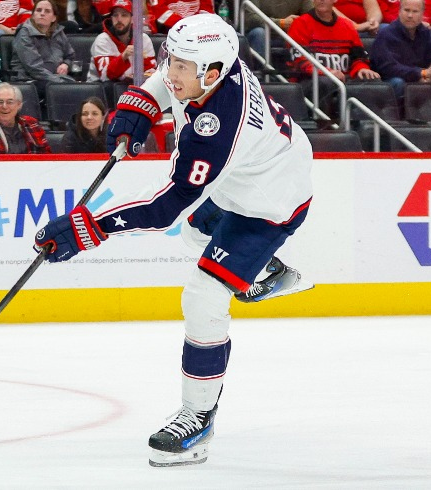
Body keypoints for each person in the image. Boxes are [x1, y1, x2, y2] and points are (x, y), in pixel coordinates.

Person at [32, 14, 313, 467]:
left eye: (183, 67)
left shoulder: (217, 130)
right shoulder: (212, 68)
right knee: (195, 235)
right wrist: (138, 108)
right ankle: (266, 270)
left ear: (213, 73)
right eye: (172, 60)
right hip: (245, 179)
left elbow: (164, 204)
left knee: (203, 296)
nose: (171, 71)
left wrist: (87, 226)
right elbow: (163, 81)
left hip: (267, 205)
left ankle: (198, 417)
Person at [287, 0, 380, 122]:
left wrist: (362, 68)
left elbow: (359, 57)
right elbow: (299, 62)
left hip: (341, 82)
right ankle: (326, 128)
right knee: (326, 82)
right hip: (309, 82)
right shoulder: (300, 24)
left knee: (373, 81)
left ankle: (369, 131)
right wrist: (327, 72)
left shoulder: (347, 26)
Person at [370, 0, 431, 99]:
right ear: (399, 11)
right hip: (388, 81)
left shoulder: (427, 34)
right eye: (406, 10)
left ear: (422, 14)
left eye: (415, 11)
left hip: (417, 78)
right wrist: (421, 74)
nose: (410, 15)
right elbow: (388, 68)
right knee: (398, 82)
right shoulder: (386, 34)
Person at [11, 0, 77, 94]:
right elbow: (34, 68)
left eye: (47, 11)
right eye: (38, 10)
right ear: (33, 15)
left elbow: (70, 55)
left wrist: (66, 64)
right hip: (29, 80)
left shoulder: (58, 32)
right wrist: (61, 82)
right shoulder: (24, 33)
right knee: (70, 90)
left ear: (54, 18)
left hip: (54, 79)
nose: (42, 13)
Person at [86, 0, 156, 83]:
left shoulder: (143, 39)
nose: (119, 19)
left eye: (124, 15)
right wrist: (123, 56)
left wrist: (143, 60)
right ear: (111, 18)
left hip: (133, 87)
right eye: (115, 15)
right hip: (102, 88)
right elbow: (105, 76)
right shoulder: (102, 40)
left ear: (133, 19)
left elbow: (151, 71)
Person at [244, 0, 315, 61]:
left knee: (308, 33)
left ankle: (303, 73)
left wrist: (297, 22)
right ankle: (261, 74)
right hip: (260, 35)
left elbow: (312, 17)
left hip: (287, 36)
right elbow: (250, 18)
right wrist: (281, 23)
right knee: (259, 33)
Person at [146, 0, 214, 34]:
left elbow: (207, 11)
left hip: (197, 31)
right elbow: (161, 13)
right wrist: (186, 26)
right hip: (167, 33)